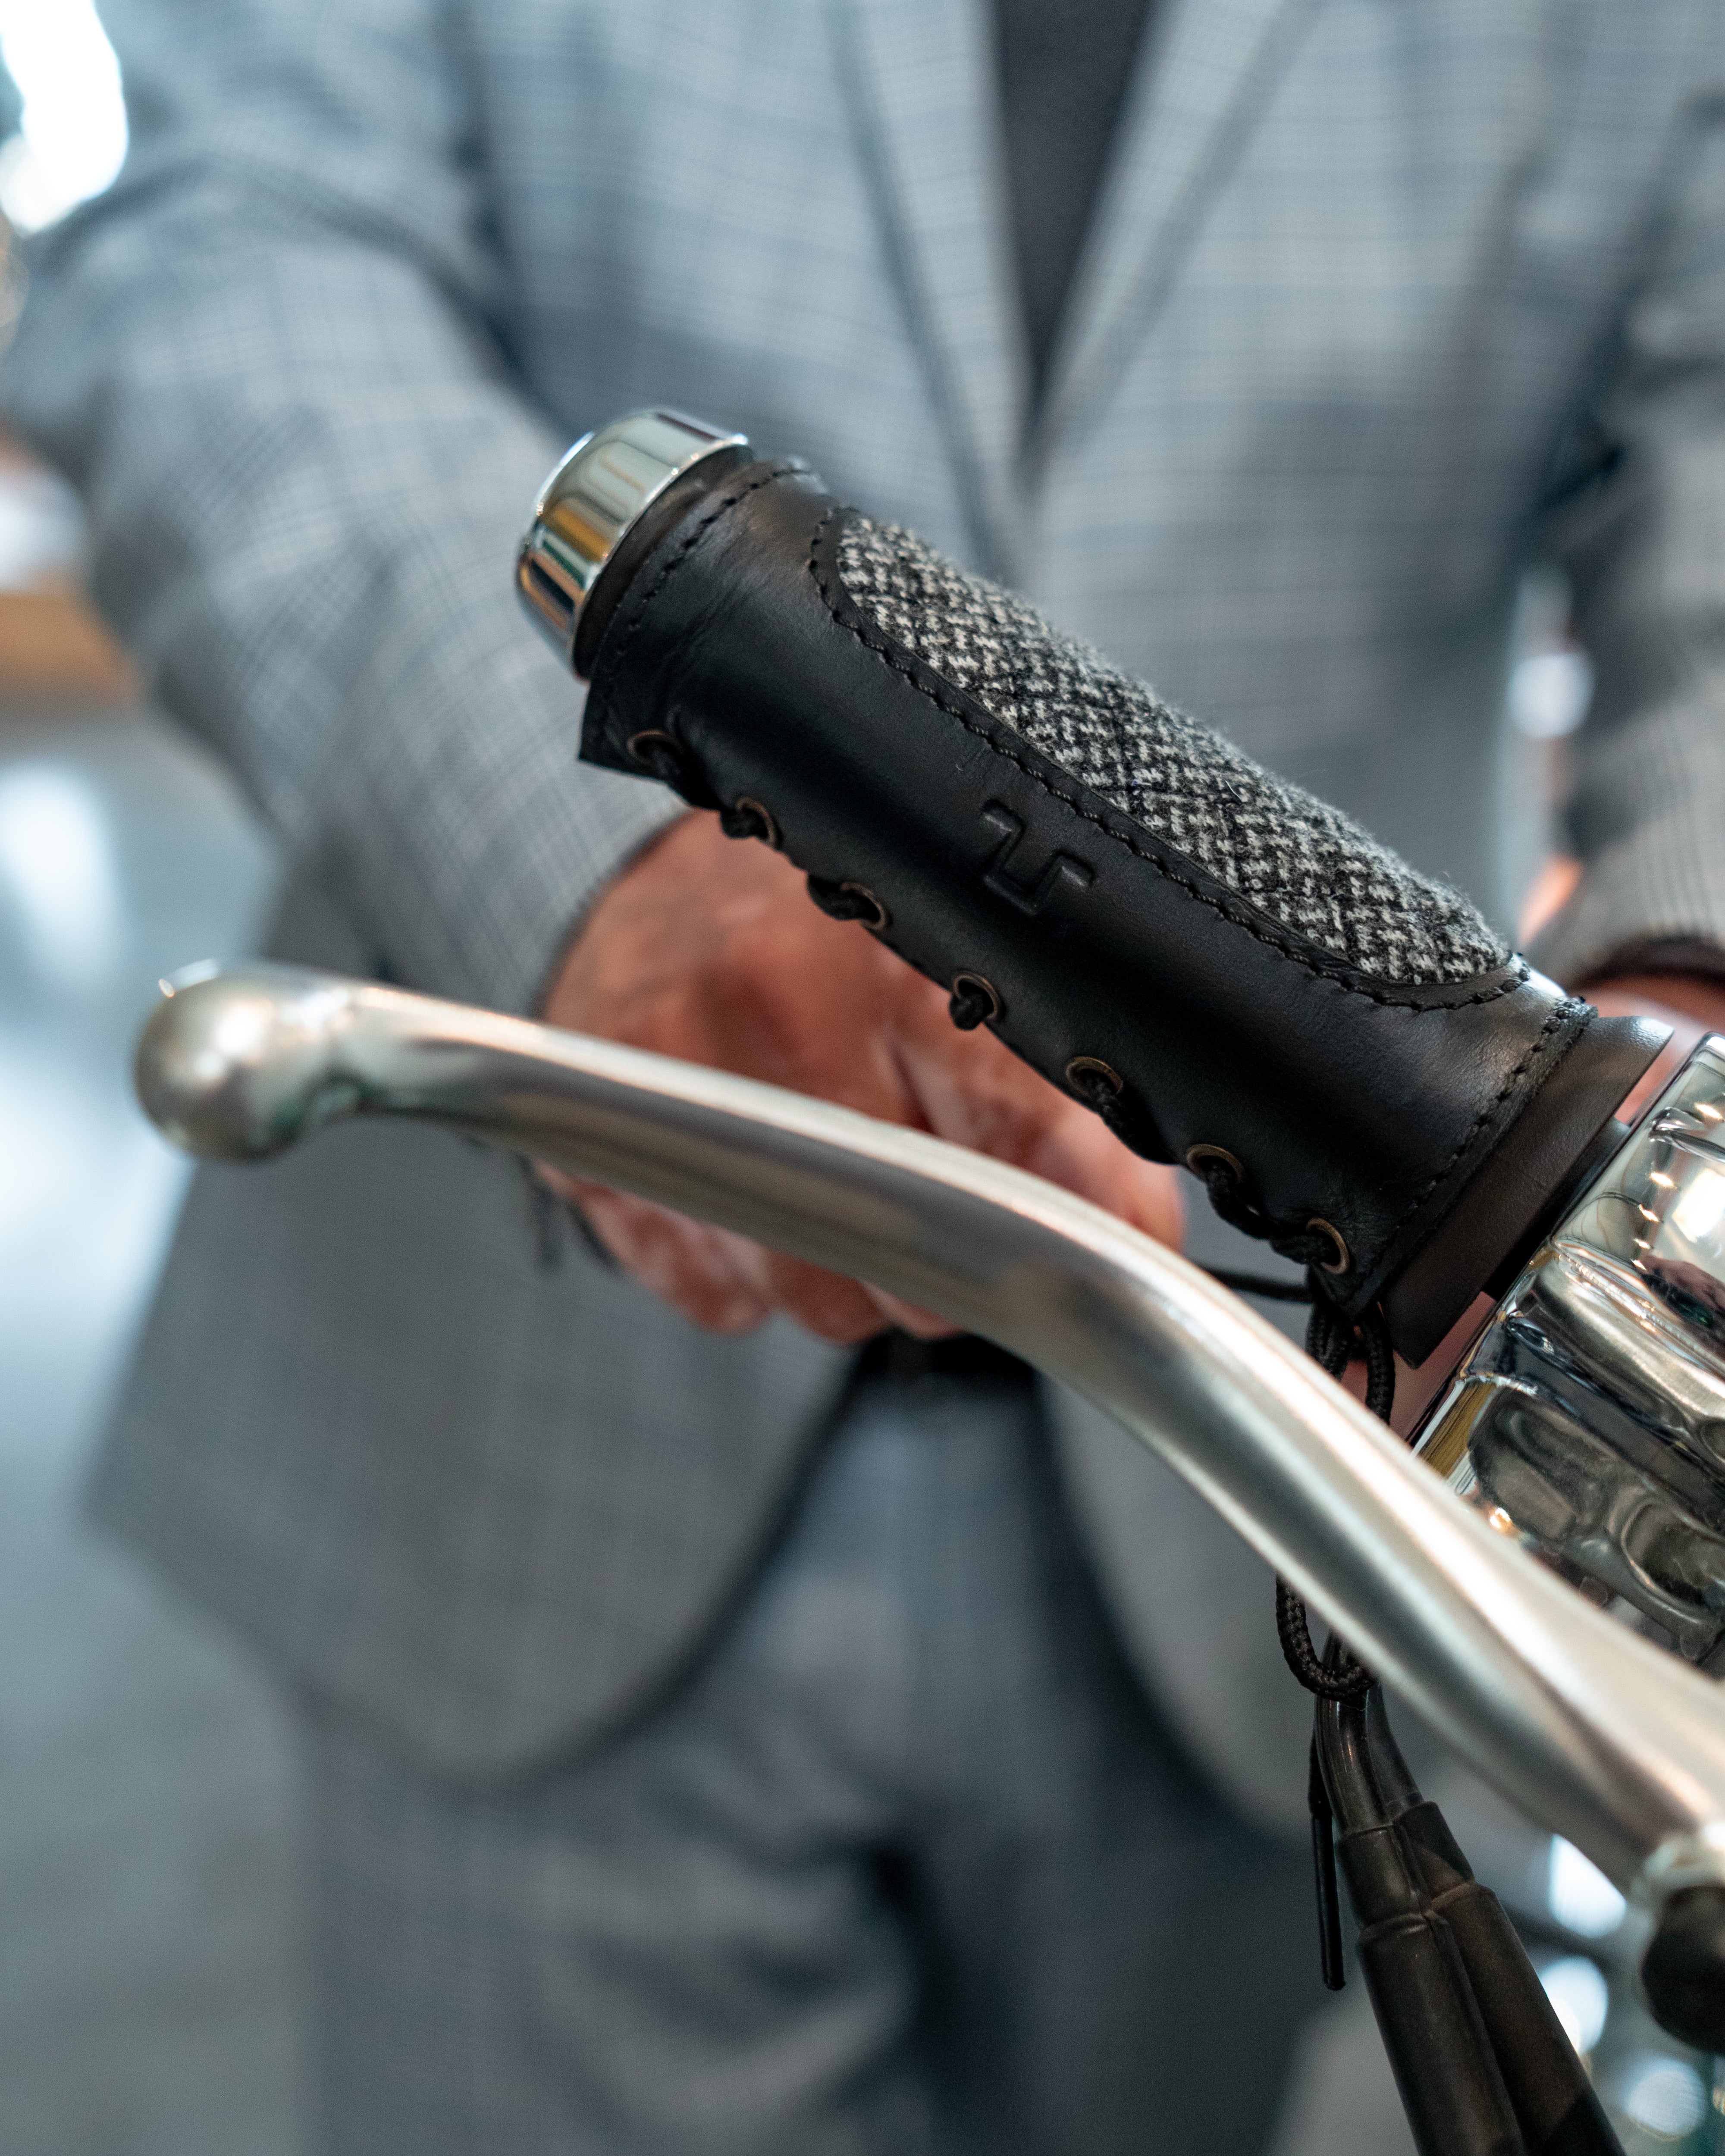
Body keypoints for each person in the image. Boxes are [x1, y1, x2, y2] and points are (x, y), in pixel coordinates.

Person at [8, 3, 1725, 2150]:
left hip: (1277, 1480)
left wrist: (1675, 1045)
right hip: (535, 1415)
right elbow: (223, 240)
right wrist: (588, 861)